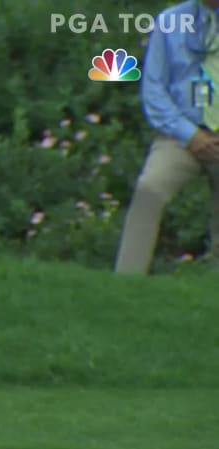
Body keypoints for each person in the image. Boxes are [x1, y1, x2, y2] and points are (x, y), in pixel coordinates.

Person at [115, 0, 219, 273]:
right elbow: (154, 90)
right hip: (179, 135)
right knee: (149, 188)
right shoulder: (170, 21)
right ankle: (126, 279)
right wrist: (189, 134)